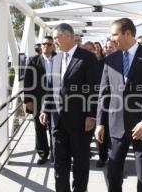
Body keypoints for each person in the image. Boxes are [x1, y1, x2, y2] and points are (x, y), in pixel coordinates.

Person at [95, 18, 142, 192]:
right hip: (117, 126)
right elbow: (104, 95)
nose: (111, 39)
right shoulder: (110, 60)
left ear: (127, 33)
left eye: (114, 34)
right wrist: (100, 123)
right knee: (113, 175)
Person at [39, 23, 98, 192]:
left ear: (68, 36)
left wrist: (91, 115)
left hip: (80, 122)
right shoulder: (56, 58)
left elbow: (93, 89)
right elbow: (51, 87)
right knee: (59, 163)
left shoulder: (87, 58)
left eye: (56, 37)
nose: (54, 41)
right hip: (57, 122)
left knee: (80, 165)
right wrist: (45, 108)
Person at [24, 36, 56, 165]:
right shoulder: (33, 61)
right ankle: (43, 154)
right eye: (43, 44)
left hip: (55, 99)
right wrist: (28, 100)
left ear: (53, 45)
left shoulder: (59, 59)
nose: (46, 46)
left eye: (49, 44)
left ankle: (55, 154)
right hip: (38, 99)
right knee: (39, 128)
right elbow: (27, 81)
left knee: (55, 128)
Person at [96, 39, 117, 168]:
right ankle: (102, 157)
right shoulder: (100, 62)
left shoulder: (122, 63)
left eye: (111, 47)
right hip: (103, 103)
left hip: (117, 105)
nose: (108, 49)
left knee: (113, 136)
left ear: (116, 48)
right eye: (106, 47)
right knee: (102, 131)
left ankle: (114, 160)